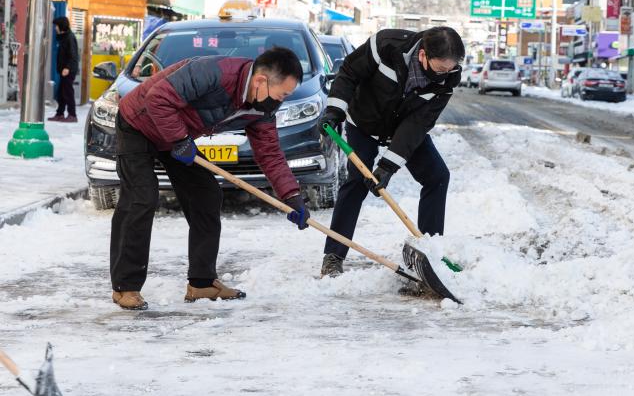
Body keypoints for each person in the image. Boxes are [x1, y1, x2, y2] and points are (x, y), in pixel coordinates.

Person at [109, 47, 310, 310]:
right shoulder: (213, 73)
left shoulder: (261, 108)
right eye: (282, 94)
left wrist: (291, 197)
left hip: (174, 134)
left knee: (205, 195)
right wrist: (180, 141)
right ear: (261, 81)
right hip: (138, 122)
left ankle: (201, 283)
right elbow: (158, 98)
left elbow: (270, 153)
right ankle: (126, 287)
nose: (280, 102)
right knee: (141, 198)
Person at [318, 26, 464, 277]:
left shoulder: (449, 78)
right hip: (363, 122)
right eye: (441, 69)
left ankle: (429, 252)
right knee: (356, 182)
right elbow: (349, 73)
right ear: (423, 55)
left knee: (437, 176)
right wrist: (334, 110)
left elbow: (417, 125)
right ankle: (333, 255)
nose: (445, 74)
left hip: (403, 128)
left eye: (450, 69)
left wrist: (387, 166)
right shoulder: (386, 44)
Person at [49, 16, 78, 123]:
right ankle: (60, 113)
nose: (55, 28)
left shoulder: (69, 38)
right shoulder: (64, 37)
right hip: (64, 70)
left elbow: (73, 55)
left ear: (61, 26)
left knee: (68, 92)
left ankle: (72, 114)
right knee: (62, 92)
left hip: (68, 70)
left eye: (56, 26)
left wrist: (67, 68)